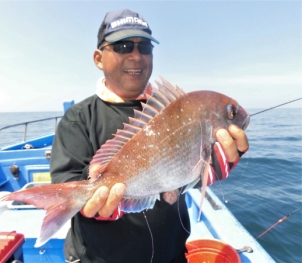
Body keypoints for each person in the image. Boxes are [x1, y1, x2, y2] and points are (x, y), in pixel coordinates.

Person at [50, 9, 249, 263]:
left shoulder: (169, 109)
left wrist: (209, 170)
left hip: (172, 256)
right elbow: (67, 180)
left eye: (144, 47)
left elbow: (177, 178)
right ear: (99, 58)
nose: (136, 56)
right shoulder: (78, 119)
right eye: (123, 46)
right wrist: (96, 205)